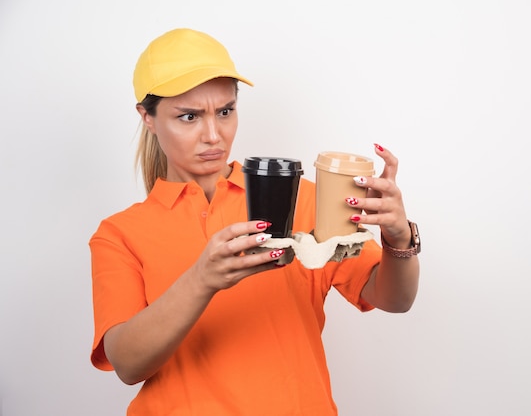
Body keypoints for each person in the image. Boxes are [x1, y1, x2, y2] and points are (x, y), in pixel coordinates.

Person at [89, 27, 421, 416]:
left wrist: (399, 240)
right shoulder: (120, 234)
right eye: (189, 116)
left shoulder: (302, 198)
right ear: (147, 117)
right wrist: (203, 279)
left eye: (225, 111)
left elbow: (394, 299)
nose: (213, 135)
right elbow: (127, 364)